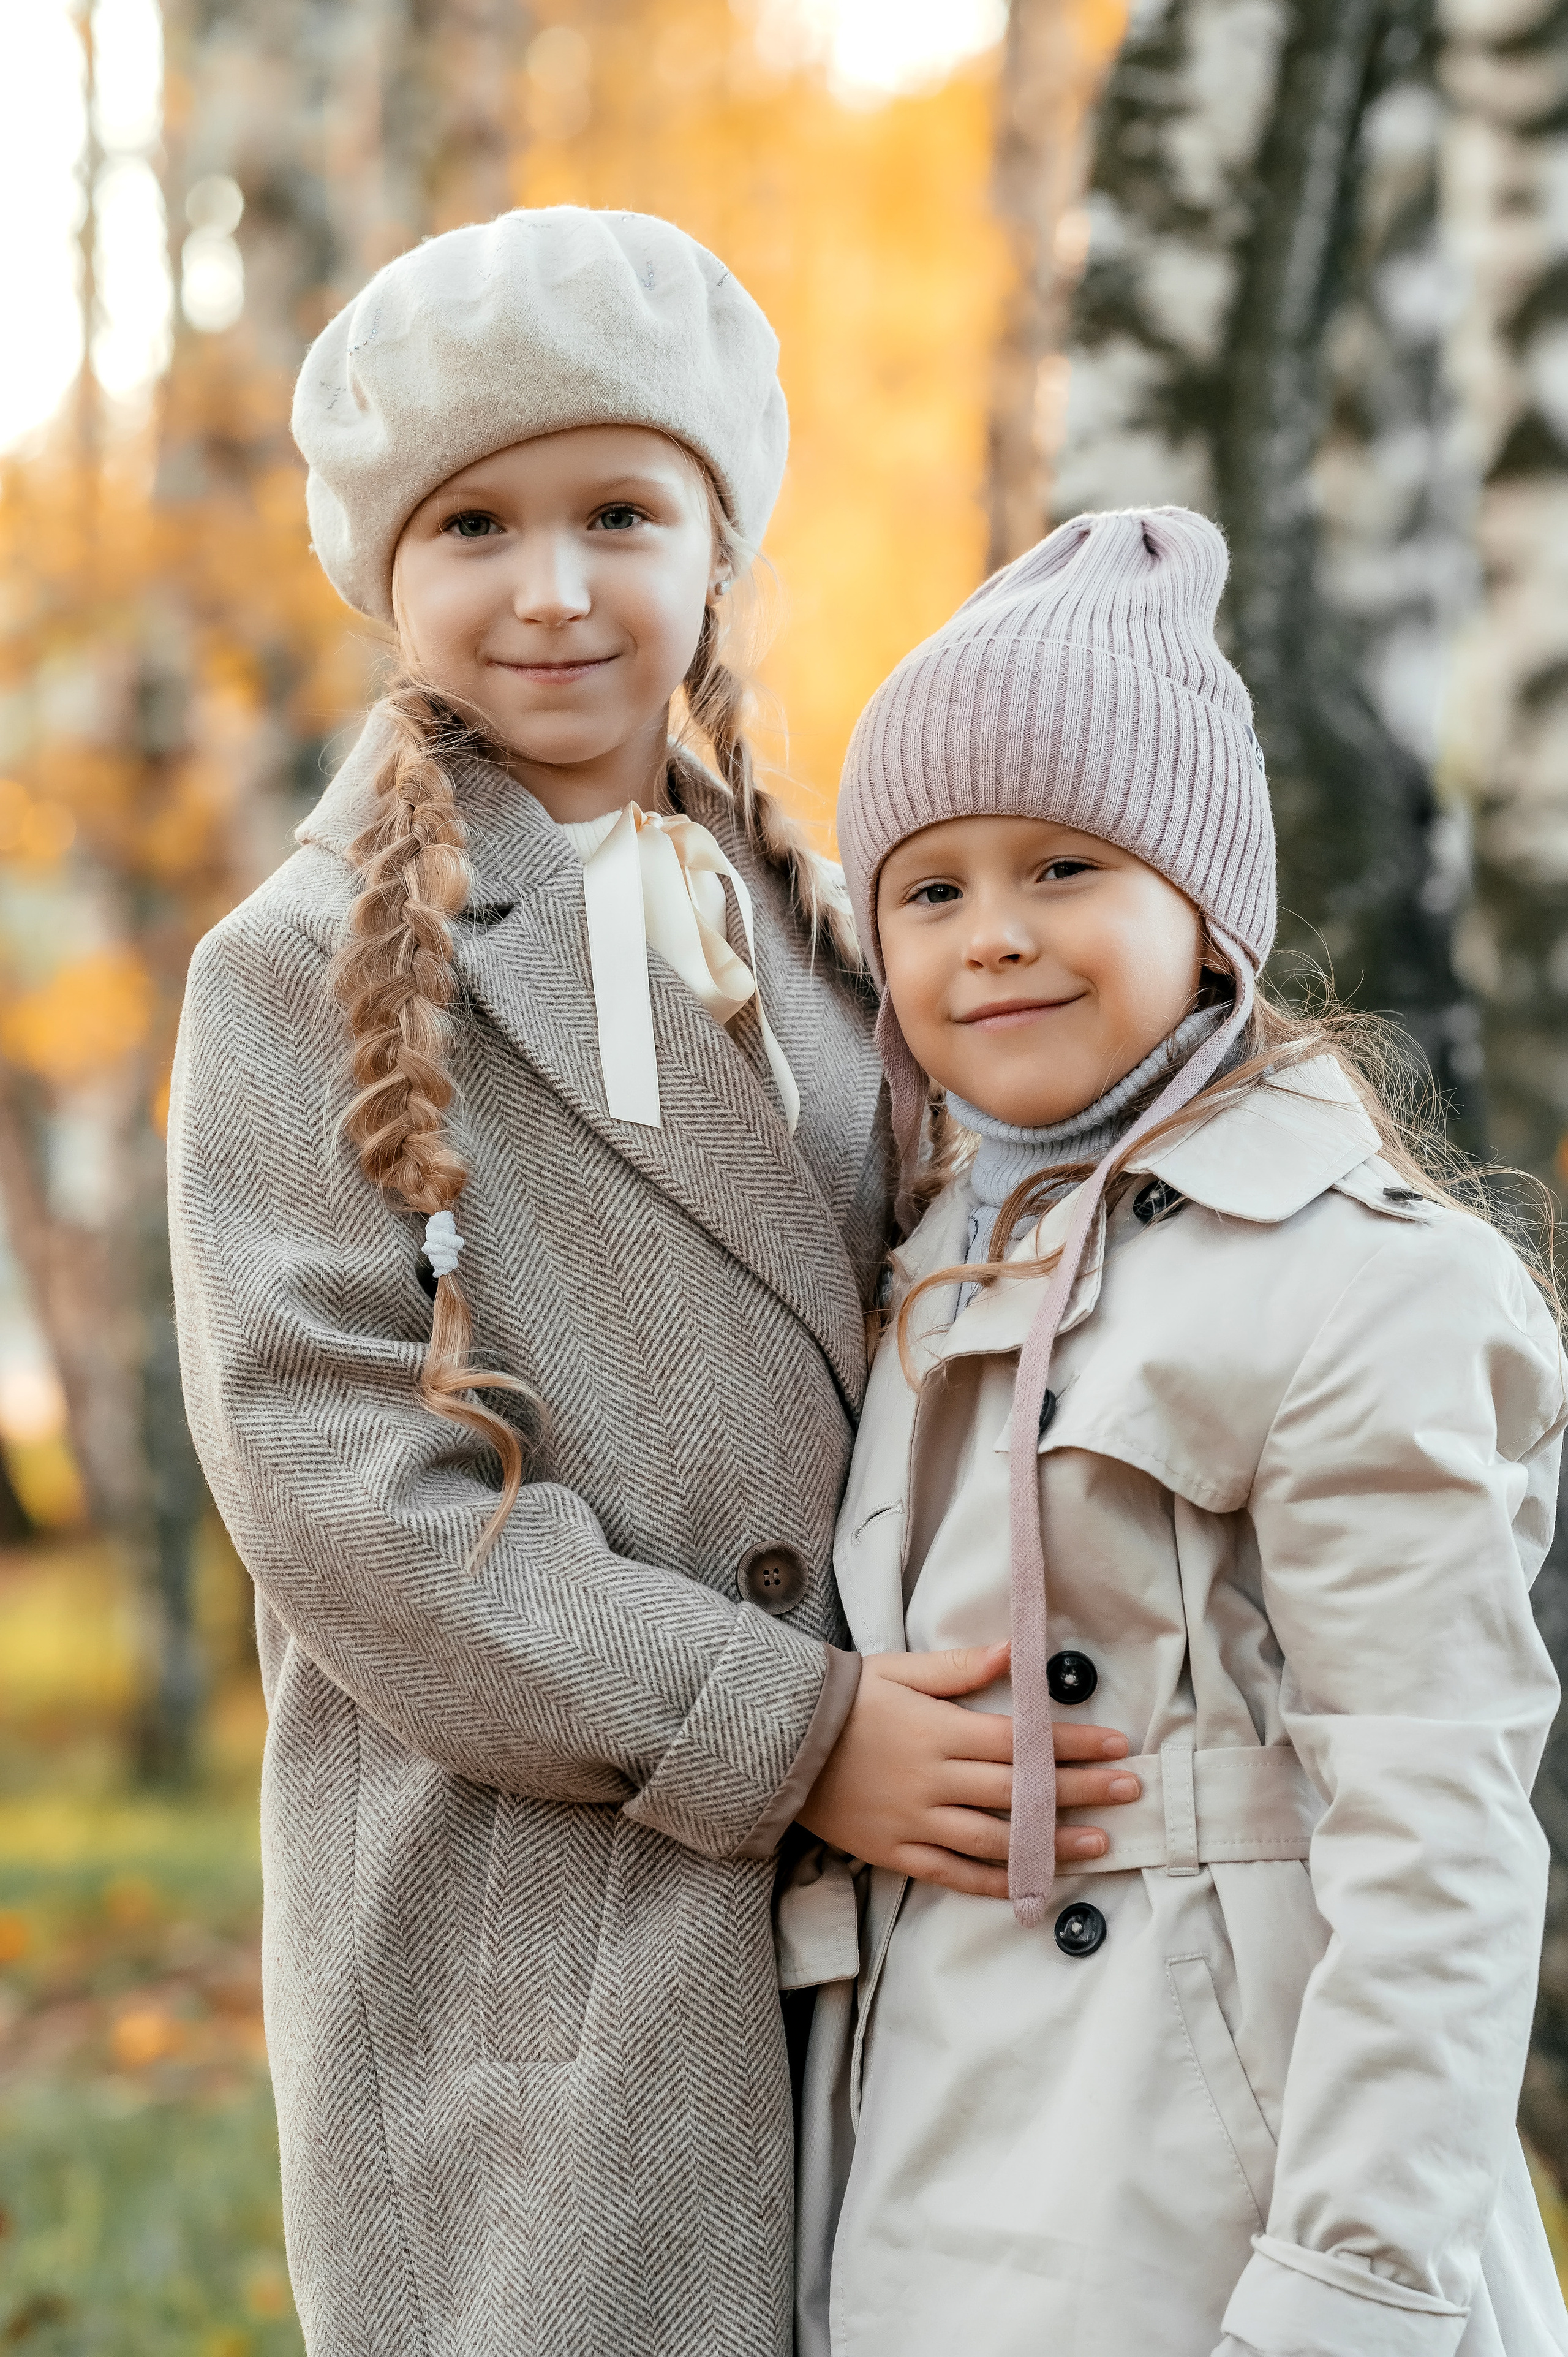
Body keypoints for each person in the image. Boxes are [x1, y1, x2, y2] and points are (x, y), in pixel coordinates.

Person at [167, 206, 1135, 2355]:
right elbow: (342, 1486)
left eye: (620, 510)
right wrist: (787, 1731)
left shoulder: (821, 932)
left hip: (885, 1907)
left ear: (718, 546)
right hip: (548, 1924)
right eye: (478, 524)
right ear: (384, 575)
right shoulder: (292, 976)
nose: (554, 586)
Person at [795, 503, 1568, 2356]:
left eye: (1066, 867)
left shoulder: (1362, 1279)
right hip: (923, 2168)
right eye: (931, 888)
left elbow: (1440, 1840)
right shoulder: (922, 1260)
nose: (993, 938)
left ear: (1208, 911)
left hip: (1219, 2192)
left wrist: (1349, 2298)